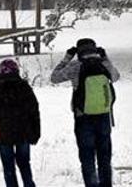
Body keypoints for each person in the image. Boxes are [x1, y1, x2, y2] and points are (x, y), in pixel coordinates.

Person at [51, 38, 120, 187]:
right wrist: (105, 57)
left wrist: (67, 58)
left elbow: (54, 77)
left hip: (83, 117)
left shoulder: (76, 66)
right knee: (104, 157)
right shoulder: (102, 64)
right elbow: (115, 76)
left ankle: (91, 184)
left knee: (87, 157)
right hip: (103, 116)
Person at [0, 59, 40, 187]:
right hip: (23, 133)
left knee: (8, 168)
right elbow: (34, 111)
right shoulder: (24, 87)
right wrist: (36, 132)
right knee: (25, 164)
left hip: (4, 134)